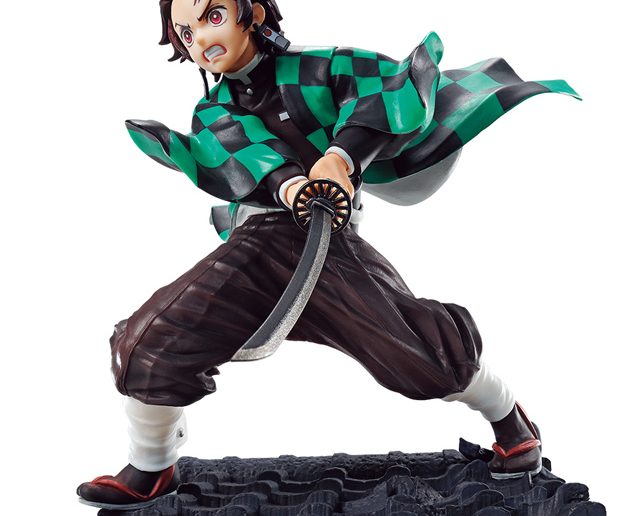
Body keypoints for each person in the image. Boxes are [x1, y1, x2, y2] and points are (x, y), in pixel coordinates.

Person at [77, 0, 579, 509]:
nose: (201, 40)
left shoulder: (321, 67)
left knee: (422, 360)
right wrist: (291, 186)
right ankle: (151, 464)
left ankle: (510, 420)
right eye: (185, 33)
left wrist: (342, 157)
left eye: (213, 16)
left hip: (329, 248)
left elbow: (383, 93)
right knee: (150, 342)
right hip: (259, 245)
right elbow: (240, 152)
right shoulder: (213, 111)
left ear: (252, 12)